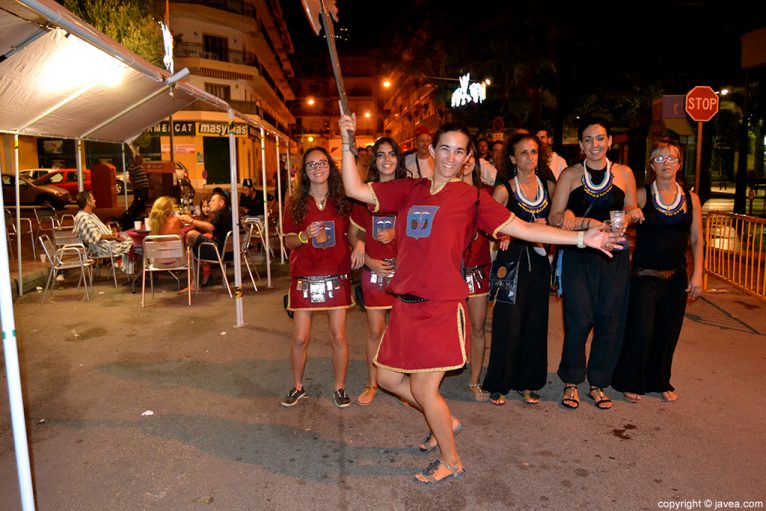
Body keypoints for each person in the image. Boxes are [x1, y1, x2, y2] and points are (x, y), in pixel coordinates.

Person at [339, 113, 621, 484]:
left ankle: (451, 459)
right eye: (445, 149)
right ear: (433, 152)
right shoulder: (411, 189)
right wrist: (347, 142)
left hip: (440, 305)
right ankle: (442, 419)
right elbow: (356, 190)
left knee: (424, 388)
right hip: (405, 303)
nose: (451, 158)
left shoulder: (472, 198)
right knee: (389, 378)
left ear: (468, 157)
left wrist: (585, 238)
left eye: (459, 152)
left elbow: (524, 227)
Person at [549, 117, 643, 411]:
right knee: (578, 320)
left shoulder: (625, 173)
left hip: (614, 256)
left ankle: (598, 383)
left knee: (609, 321)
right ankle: (572, 380)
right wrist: (576, 220)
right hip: (580, 255)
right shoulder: (570, 175)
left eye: (600, 138)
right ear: (580, 145)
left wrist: (632, 213)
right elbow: (554, 217)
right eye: (588, 139)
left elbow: (628, 205)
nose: (594, 145)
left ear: (610, 141)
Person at [612, 139, 703, 403]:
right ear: (652, 165)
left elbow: (696, 239)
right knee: (642, 329)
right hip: (644, 276)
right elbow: (624, 211)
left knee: (668, 331)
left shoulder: (691, 198)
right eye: (660, 158)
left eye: (671, 158)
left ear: (679, 164)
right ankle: (632, 380)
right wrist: (630, 214)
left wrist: (698, 274)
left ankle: (659, 380)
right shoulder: (642, 194)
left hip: (676, 277)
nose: (666, 163)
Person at [281, 146, 364, 409]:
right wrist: (304, 235)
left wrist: (360, 244)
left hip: (336, 273)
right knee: (299, 338)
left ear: (330, 167)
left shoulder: (343, 200)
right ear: (304, 172)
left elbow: (355, 231)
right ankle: (297, 386)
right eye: (311, 165)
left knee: (338, 336)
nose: (317, 168)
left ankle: (339, 387)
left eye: (322, 163)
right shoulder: (295, 203)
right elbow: (289, 241)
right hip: (305, 275)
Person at [483, 133, 557, 406]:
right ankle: (498, 383)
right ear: (513, 159)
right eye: (523, 153)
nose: (530, 157)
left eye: (534, 152)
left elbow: (557, 221)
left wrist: (548, 222)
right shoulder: (504, 190)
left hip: (538, 261)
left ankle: (527, 382)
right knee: (507, 323)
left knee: (535, 321)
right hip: (511, 263)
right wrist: (503, 234)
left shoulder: (548, 186)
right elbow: (489, 225)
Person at [350, 137, 407, 406]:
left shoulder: (409, 191)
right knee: (375, 331)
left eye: (392, 154)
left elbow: (421, 229)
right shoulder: (365, 191)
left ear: (399, 158)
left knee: (402, 332)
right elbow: (354, 231)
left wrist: (397, 232)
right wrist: (364, 250)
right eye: (381, 155)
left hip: (403, 272)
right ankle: (373, 383)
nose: (387, 160)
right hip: (373, 272)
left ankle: (402, 385)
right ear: (374, 160)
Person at [460, 141, 494, 403]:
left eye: (470, 154)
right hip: (448, 270)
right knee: (442, 327)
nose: (467, 159)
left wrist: (504, 234)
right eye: (463, 153)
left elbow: (503, 222)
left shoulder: (486, 195)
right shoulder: (444, 192)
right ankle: (428, 378)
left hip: (479, 268)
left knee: (478, 326)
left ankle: (474, 381)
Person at [179, 190, 232, 287]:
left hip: (219, 253)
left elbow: (210, 227)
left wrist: (191, 220)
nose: (210, 203)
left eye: (212, 201)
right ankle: (197, 278)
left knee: (191, 235)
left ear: (222, 203)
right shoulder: (229, 213)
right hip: (232, 253)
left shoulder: (221, 213)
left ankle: (193, 282)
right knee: (192, 246)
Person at [73, 190, 133, 261]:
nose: (95, 201)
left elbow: (98, 233)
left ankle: (132, 267)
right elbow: (96, 236)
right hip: (105, 248)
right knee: (136, 245)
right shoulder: (84, 218)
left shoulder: (89, 215)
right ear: (88, 202)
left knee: (134, 241)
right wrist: (113, 237)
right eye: (93, 199)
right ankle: (135, 268)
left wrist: (112, 234)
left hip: (106, 245)